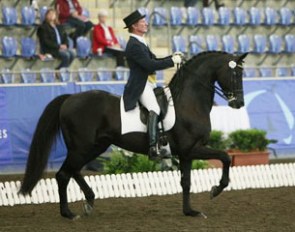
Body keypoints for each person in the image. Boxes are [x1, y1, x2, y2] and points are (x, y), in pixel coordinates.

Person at [122, 10, 182, 160]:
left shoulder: (141, 42)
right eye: (143, 22)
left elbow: (155, 60)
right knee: (154, 108)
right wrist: (171, 62)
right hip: (140, 85)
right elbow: (149, 65)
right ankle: (153, 146)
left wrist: (172, 57)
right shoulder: (134, 45)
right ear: (135, 26)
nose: (146, 24)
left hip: (150, 83)